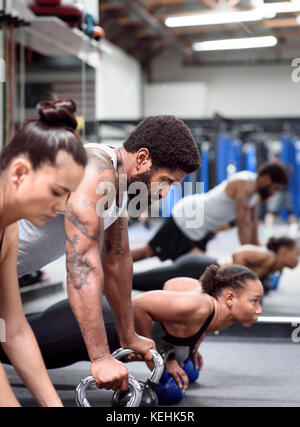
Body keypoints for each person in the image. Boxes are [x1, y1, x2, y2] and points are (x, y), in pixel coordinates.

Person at [16, 115, 201, 392]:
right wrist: (100, 357)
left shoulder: (122, 185)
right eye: (166, 181)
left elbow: (116, 262)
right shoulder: (94, 172)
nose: (165, 194)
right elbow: (82, 265)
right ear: (142, 158)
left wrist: (129, 334)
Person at [0, 265, 263, 390]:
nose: (259, 309)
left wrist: (188, 347)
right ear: (229, 298)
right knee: (8, 344)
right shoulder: (202, 306)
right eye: (254, 302)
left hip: (98, 320)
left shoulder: (213, 312)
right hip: (91, 324)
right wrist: (157, 356)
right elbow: (139, 307)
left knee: (13, 325)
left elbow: (172, 285)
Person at [0, 98, 87, 407]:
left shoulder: (8, 229)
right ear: (20, 172)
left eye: (68, 195)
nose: (62, 207)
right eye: (56, 192)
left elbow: (14, 329)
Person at [131, 162, 289, 262]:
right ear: (267, 179)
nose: (274, 194)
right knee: (149, 251)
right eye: (275, 189)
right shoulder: (245, 183)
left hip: (201, 230)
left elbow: (253, 226)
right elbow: (243, 225)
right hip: (189, 217)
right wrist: (250, 258)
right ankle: (110, 264)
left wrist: (263, 253)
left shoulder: (256, 195)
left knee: (192, 269)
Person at [131, 236, 300, 294]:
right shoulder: (268, 256)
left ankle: (110, 284)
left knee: (153, 286)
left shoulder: (273, 267)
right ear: (284, 251)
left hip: (203, 272)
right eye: (297, 254)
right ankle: (109, 281)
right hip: (198, 267)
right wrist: (241, 282)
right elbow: (240, 253)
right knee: (140, 281)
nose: (298, 259)